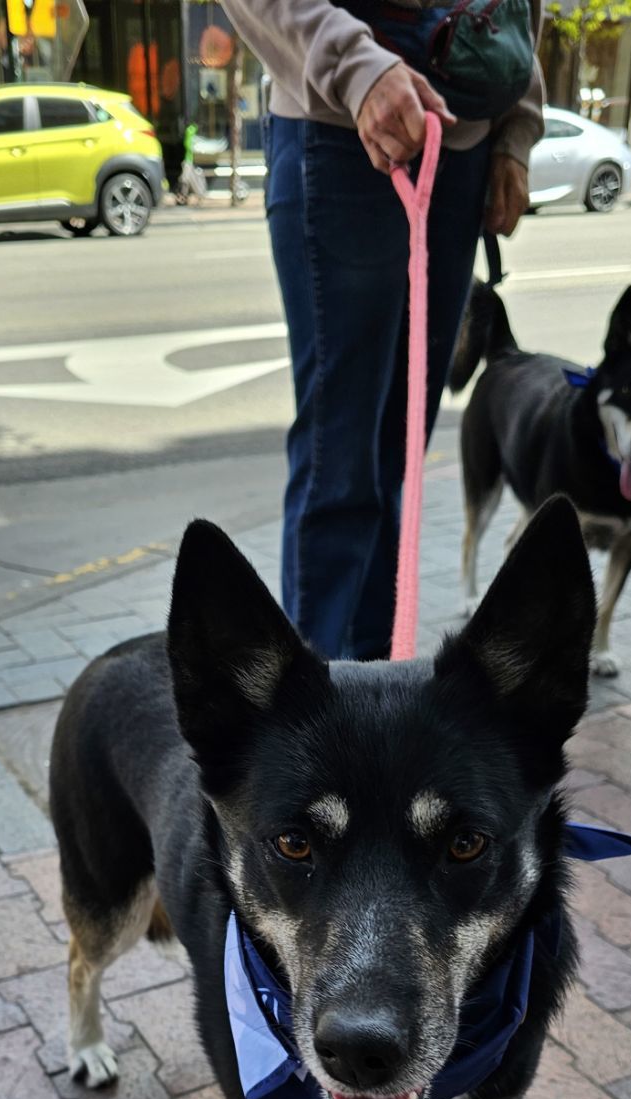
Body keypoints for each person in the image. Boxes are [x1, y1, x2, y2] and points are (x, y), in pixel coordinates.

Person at [222, 0, 545, 660]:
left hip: (467, 141)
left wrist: (515, 127)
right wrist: (353, 64)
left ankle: (373, 693)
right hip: (341, 126)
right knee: (339, 464)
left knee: (400, 457)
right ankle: (314, 726)